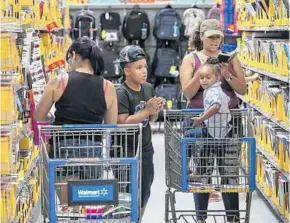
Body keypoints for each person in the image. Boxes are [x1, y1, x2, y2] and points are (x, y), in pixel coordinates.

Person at [180, 19, 247, 223]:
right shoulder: (191, 59)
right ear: (201, 36)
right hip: (200, 122)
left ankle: (232, 219)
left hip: (229, 121)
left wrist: (226, 73)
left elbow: (243, 89)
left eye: (218, 37)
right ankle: (201, 218)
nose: (215, 41)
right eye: (210, 37)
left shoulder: (230, 59)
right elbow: (187, 93)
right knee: (202, 173)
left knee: (229, 173)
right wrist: (203, 72)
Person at [34, 36, 118, 158]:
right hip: (92, 150)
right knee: (91, 178)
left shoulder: (59, 81)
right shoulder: (108, 86)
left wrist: (51, 117)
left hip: (63, 149)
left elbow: (38, 115)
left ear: (73, 55)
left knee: (63, 177)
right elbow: (111, 124)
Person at [115, 45, 165, 220]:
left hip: (145, 148)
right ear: (127, 71)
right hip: (125, 151)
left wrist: (155, 110)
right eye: (139, 68)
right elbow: (122, 123)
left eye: (145, 67)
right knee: (127, 193)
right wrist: (146, 111)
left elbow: (150, 120)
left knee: (145, 190)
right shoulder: (121, 92)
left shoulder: (148, 88)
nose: (144, 71)